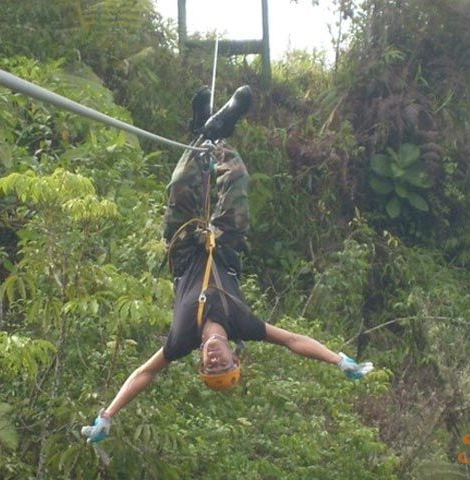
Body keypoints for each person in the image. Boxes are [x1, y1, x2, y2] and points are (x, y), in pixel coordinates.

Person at [81, 86, 374, 444]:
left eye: (211, 367)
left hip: (186, 250)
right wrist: (338, 360)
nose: (216, 361)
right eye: (224, 365)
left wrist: (108, 414)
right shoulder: (244, 325)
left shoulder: (181, 340)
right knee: (236, 177)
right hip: (225, 246)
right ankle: (217, 132)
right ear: (235, 357)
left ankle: (203, 132)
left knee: (178, 183)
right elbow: (294, 340)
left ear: (201, 362)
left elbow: (145, 373)